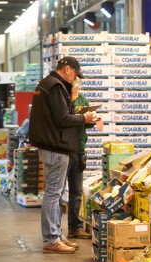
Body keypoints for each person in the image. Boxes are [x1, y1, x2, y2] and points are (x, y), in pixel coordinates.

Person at [28, 56, 97, 254]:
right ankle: (51, 239)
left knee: (55, 193)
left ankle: (57, 235)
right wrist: (84, 117)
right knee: (53, 194)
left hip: (51, 146)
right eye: (75, 73)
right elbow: (62, 118)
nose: (75, 78)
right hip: (56, 147)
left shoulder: (46, 84)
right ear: (67, 69)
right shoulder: (56, 86)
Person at [67, 79, 94, 240]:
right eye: (73, 91)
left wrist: (92, 118)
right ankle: (55, 230)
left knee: (76, 192)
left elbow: (88, 124)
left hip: (79, 150)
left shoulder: (82, 99)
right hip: (63, 150)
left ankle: (75, 227)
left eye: (77, 90)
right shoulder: (62, 99)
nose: (75, 93)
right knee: (56, 192)